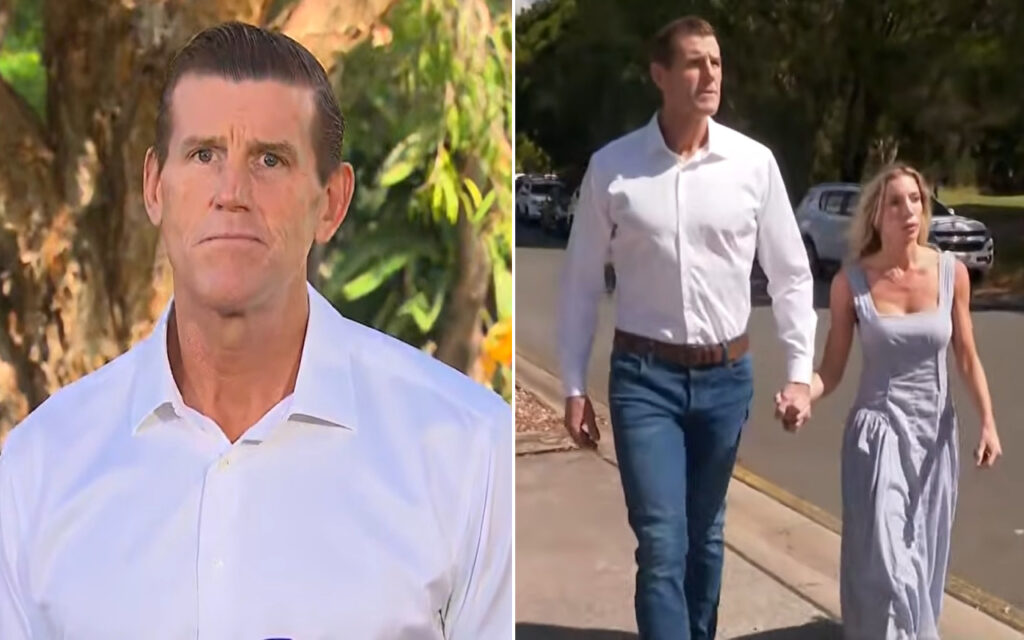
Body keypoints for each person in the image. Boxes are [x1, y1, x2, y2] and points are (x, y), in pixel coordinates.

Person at [0, 22, 512, 639]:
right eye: (204, 155)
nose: (232, 193)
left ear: (331, 202)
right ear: (155, 187)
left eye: (270, 159)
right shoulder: (40, 467)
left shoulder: (469, 452)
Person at [557, 15, 817, 640]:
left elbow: (791, 275)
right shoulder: (614, 168)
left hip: (727, 380)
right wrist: (572, 384)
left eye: (716, 63)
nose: (710, 75)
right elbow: (581, 282)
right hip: (644, 381)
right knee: (662, 542)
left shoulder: (753, 165)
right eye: (695, 63)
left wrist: (799, 374)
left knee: (705, 536)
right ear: (660, 75)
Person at [776, 163, 1002, 639]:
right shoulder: (852, 282)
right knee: (885, 559)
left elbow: (966, 355)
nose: (908, 211)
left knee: (921, 554)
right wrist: (802, 394)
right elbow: (831, 369)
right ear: (876, 215)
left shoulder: (951, 274)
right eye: (895, 202)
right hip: (877, 436)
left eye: (915, 199)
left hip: (934, 437)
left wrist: (988, 421)